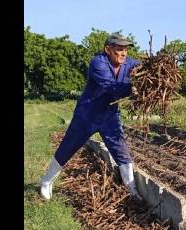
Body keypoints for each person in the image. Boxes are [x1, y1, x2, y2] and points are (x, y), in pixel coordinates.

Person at [40, 33, 142, 201]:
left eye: (125, 50)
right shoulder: (98, 63)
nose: (124, 53)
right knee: (68, 148)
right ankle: (46, 181)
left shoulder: (129, 63)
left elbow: (143, 68)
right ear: (107, 49)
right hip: (87, 114)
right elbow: (111, 86)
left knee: (121, 151)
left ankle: (132, 191)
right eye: (119, 49)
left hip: (110, 116)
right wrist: (132, 89)